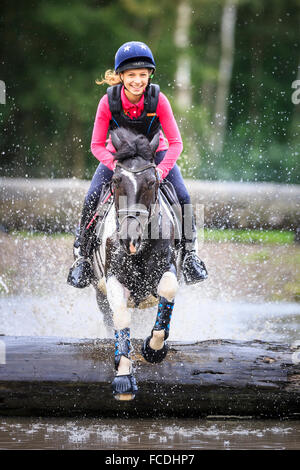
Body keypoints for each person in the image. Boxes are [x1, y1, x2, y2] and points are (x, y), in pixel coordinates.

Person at [67, 41, 208, 288]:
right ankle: (84, 257)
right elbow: (96, 145)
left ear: (150, 75)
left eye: (143, 75)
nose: (137, 80)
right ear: (121, 76)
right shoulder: (107, 102)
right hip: (118, 160)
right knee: (91, 196)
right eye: (131, 75)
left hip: (156, 158)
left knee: (183, 195)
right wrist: (119, 168)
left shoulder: (159, 100)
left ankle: (190, 255)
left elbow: (176, 143)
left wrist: (161, 172)